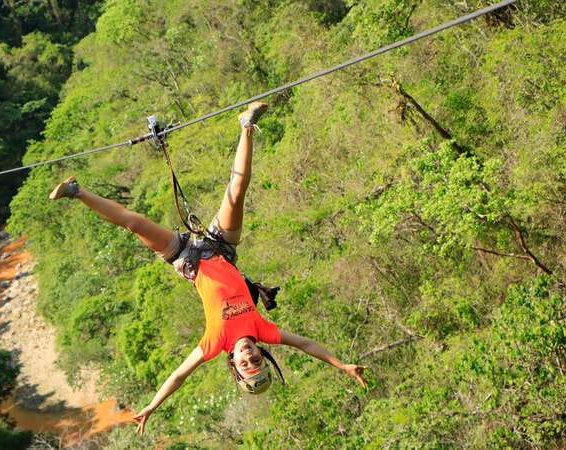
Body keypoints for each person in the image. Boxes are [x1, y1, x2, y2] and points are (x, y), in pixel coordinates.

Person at [49, 102, 367, 435]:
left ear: (235, 365)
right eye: (256, 361)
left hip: (187, 260)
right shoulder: (263, 330)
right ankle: (247, 124)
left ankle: (76, 191)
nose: (248, 357)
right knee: (236, 191)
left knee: (135, 223)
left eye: (245, 364)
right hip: (220, 248)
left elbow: (179, 376)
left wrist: (152, 407)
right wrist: (341, 365)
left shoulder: (214, 342)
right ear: (261, 353)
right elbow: (306, 345)